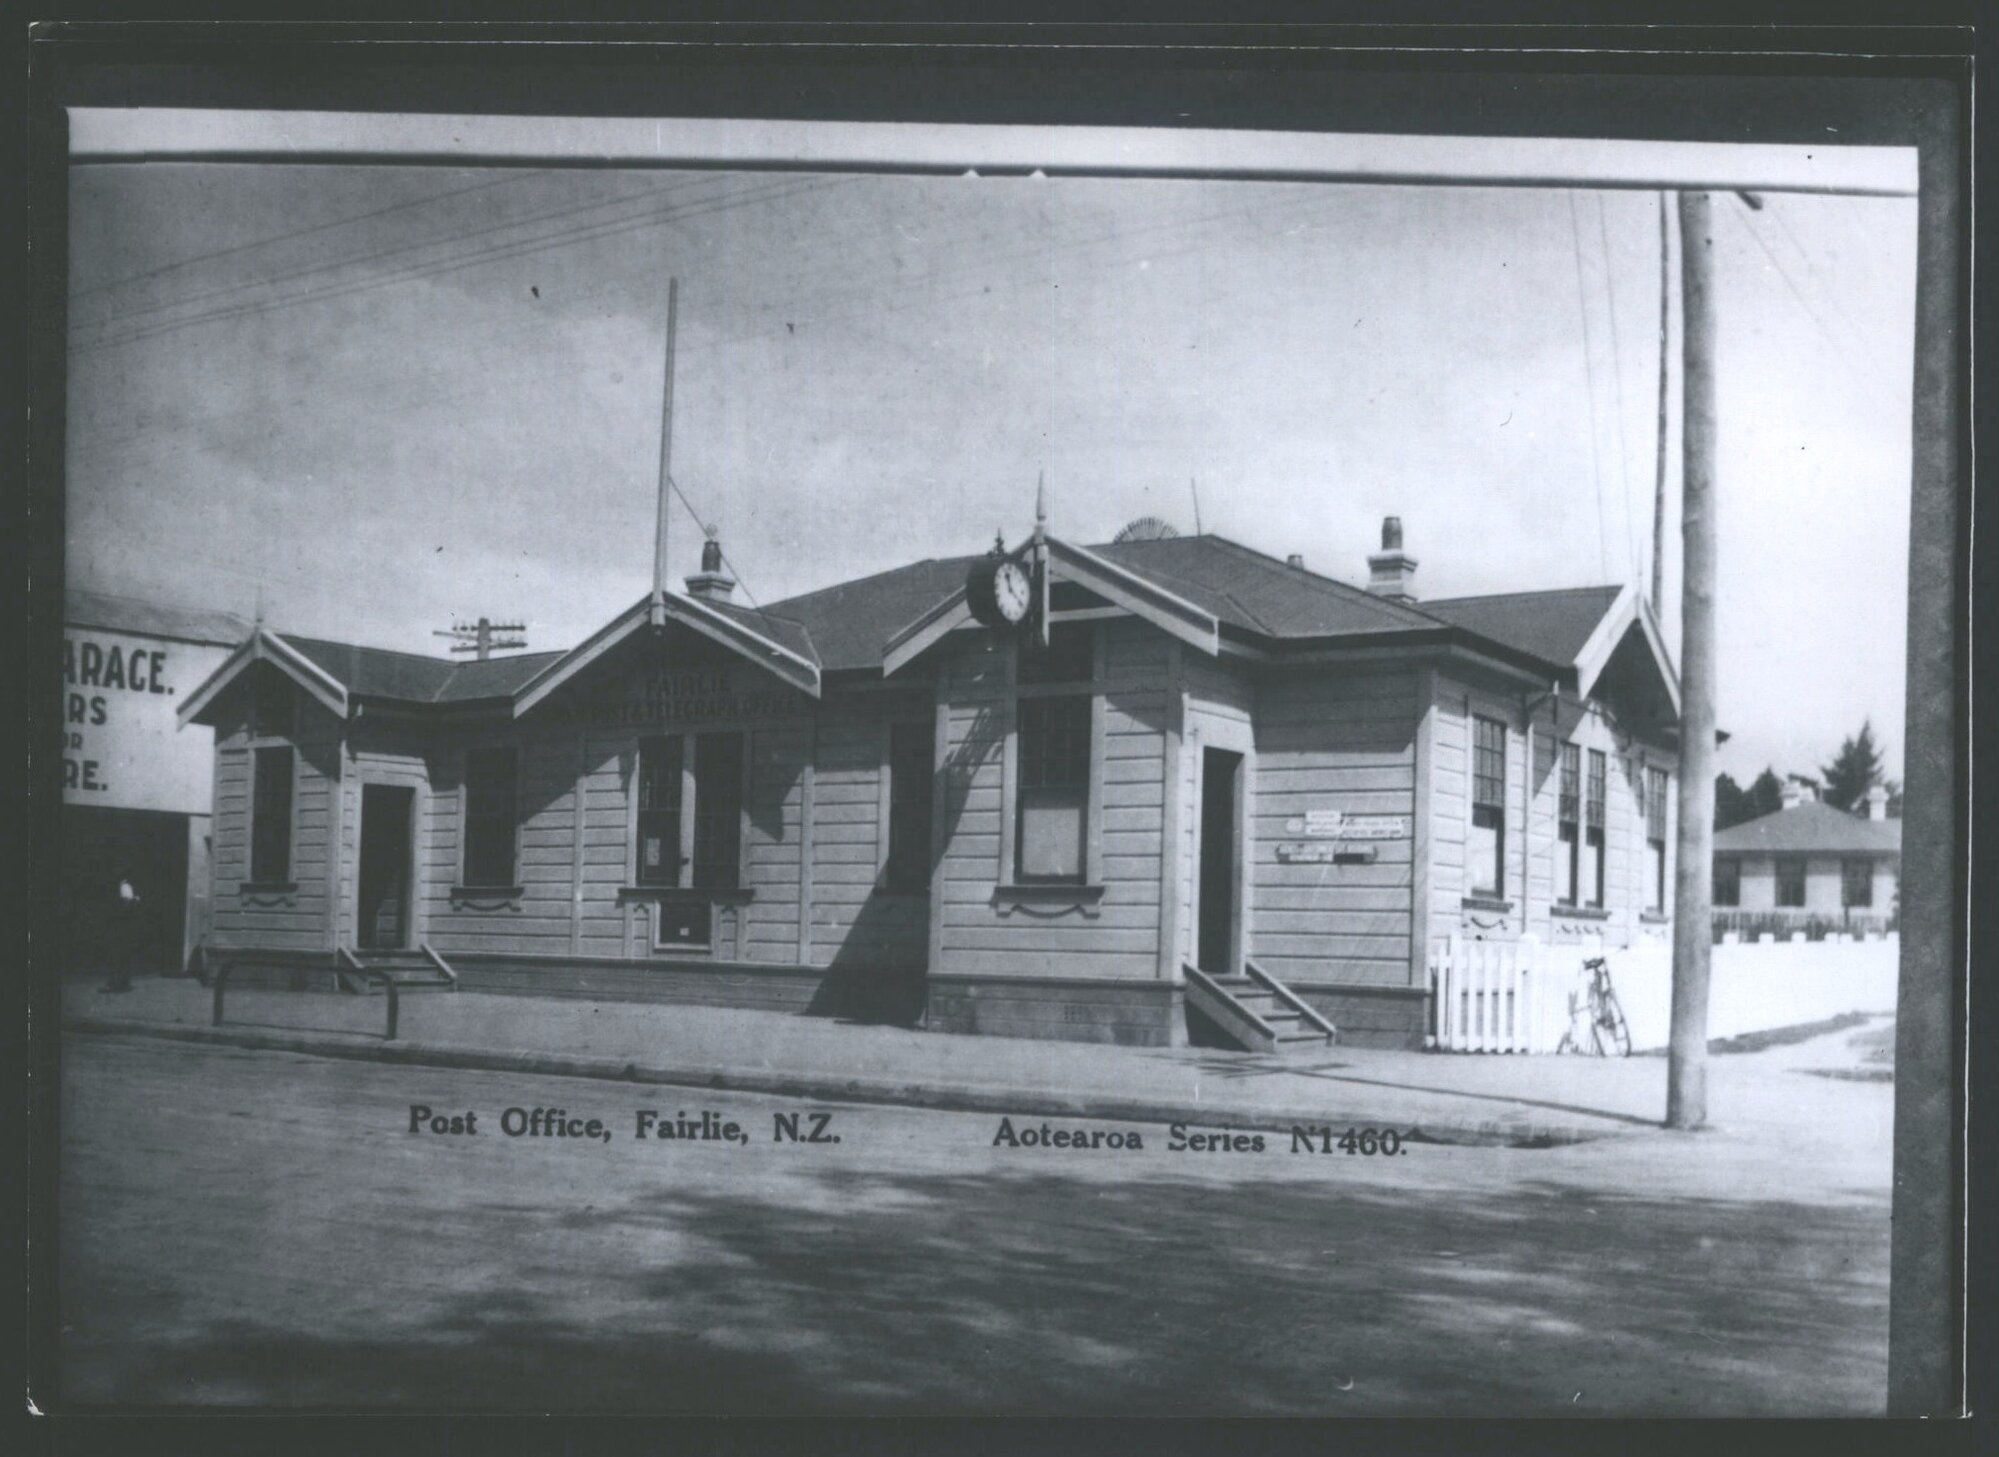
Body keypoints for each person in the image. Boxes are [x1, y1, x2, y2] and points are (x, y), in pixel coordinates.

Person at [101, 873, 142, 994]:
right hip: (127, 933)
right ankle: (123, 983)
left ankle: (117, 983)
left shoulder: (124, 890)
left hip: (122, 933)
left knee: (118, 958)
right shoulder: (130, 895)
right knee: (124, 958)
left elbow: (122, 910)